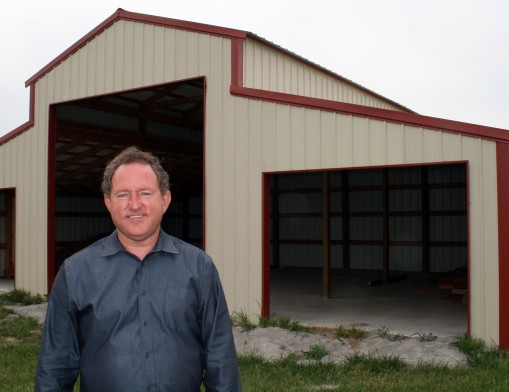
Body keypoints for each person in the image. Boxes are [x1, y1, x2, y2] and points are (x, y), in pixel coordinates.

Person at [35, 146, 240, 392]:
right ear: (108, 202)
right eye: (123, 195)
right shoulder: (75, 272)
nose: (134, 205)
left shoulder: (199, 267)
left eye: (145, 193)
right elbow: (55, 367)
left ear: (164, 200)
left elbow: (221, 360)